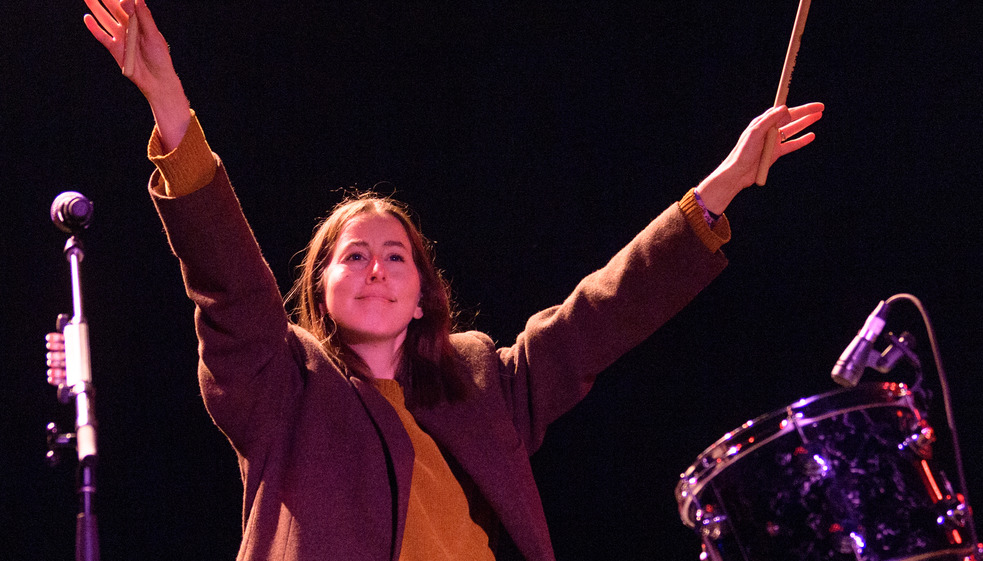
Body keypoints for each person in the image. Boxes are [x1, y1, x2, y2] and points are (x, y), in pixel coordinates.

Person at [48, 0, 824, 559]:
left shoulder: (482, 378)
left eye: (396, 255)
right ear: (319, 290)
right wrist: (170, 105)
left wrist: (719, 188)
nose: (376, 267)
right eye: (351, 255)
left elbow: (599, 316)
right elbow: (228, 283)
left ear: (424, 292)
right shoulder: (283, 383)